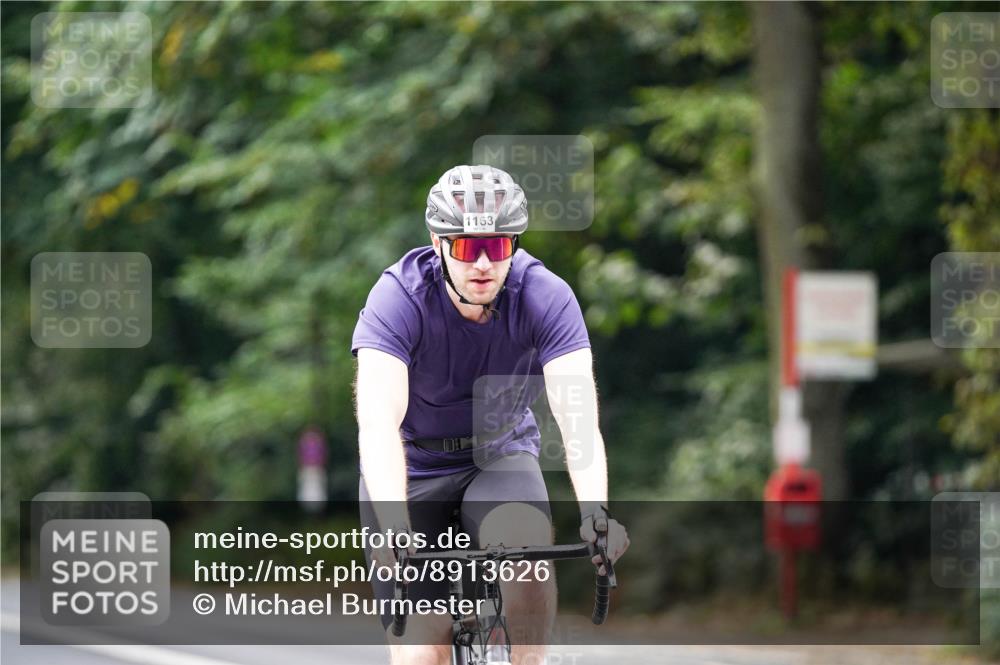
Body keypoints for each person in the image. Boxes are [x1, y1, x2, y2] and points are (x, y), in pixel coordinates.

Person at [353, 164, 628, 665]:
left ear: (514, 245)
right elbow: (377, 422)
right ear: (437, 243)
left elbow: (578, 418)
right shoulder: (398, 298)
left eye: (497, 247)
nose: (482, 263)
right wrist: (393, 522)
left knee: (528, 567)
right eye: (466, 247)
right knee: (423, 653)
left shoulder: (545, 296)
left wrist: (596, 513)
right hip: (413, 467)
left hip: (499, 456)